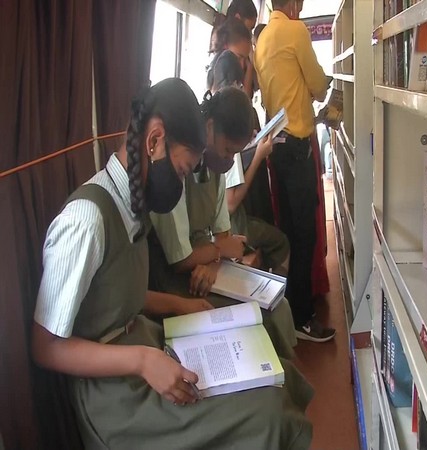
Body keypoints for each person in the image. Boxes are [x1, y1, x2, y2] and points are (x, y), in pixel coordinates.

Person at [31, 78, 313, 450]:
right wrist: (143, 362)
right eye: (182, 171)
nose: (181, 185)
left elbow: (118, 296)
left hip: (144, 345)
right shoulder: (87, 220)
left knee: (277, 381)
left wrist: (182, 307)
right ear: (154, 141)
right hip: (114, 395)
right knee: (269, 413)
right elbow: (46, 346)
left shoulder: (133, 204)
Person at [148, 87, 296, 359]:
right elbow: (181, 259)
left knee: (280, 307)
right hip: (173, 279)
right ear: (210, 127)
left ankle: (281, 383)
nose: (229, 162)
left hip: (205, 270)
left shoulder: (214, 170)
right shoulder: (177, 170)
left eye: (236, 155)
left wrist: (214, 262)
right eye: (227, 151)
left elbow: (224, 237)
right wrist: (219, 252)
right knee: (260, 319)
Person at [255, 0, 335, 342]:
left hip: (276, 146)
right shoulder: (295, 30)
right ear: (295, 3)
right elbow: (317, 86)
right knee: (305, 234)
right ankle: (302, 317)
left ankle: (289, 309)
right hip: (299, 146)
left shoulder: (263, 39)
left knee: (287, 230)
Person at [209, 50, 290, 275]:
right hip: (231, 224)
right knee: (282, 242)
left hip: (221, 223)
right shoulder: (228, 130)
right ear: (236, 83)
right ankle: (275, 292)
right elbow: (231, 204)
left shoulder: (215, 121)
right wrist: (258, 155)